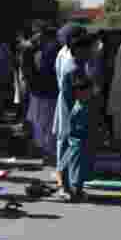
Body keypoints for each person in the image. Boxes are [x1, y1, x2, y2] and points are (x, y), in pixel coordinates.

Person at [53, 25, 97, 197]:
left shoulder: (71, 60)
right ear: (79, 49)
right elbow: (84, 95)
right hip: (72, 112)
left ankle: (70, 186)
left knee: (69, 148)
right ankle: (69, 187)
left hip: (69, 109)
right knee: (72, 149)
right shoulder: (74, 68)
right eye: (88, 50)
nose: (91, 53)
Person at [59, 69, 95, 201]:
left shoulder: (83, 105)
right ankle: (76, 191)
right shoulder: (80, 107)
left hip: (81, 143)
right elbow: (79, 128)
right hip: (78, 144)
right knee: (77, 171)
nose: (90, 94)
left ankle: (76, 190)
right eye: (87, 92)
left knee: (79, 170)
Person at [26, 24, 60, 159]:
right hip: (48, 92)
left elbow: (44, 72)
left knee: (43, 122)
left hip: (44, 92)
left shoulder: (49, 50)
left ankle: (46, 149)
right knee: (47, 122)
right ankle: (47, 149)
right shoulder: (52, 48)